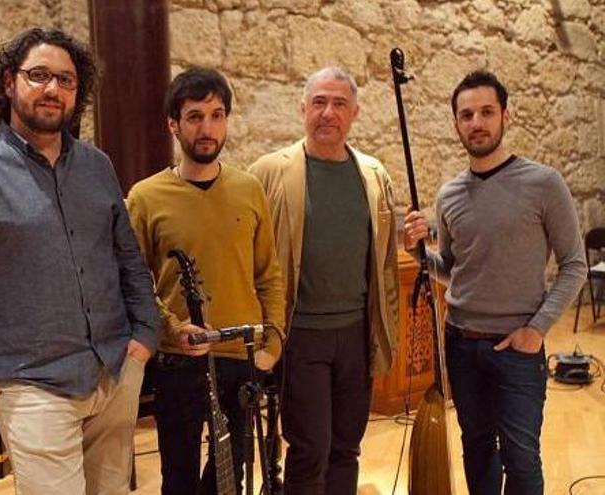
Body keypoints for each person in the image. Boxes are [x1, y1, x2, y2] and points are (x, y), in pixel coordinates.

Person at [0, 27, 160, 495]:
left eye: (66, 80)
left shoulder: (96, 166)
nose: (53, 89)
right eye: (39, 75)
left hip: (114, 371)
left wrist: (145, 334)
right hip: (33, 387)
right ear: (9, 82)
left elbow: (126, 257)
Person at [404, 69, 586, 495]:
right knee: (478, 449)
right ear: (456, 124)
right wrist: (417, 254)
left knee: (522, 459)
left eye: (487, 112)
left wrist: (537, 329)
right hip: (462, 344)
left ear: (506, 116)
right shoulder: (448, 194)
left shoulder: (544, 184)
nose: (476, 122)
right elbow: (452, 267)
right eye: (466, 115)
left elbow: (574, 264)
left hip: (517, 350)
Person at [126, 67, 285, 495]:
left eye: (217, 115)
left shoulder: (249, 189)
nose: (207, 127)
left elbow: (269, 273)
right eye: (195, 116)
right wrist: (174, 328)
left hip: (242, 353)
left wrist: (272, 345)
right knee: (178, 474)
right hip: (180, 358)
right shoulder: (145, 197)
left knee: (232, 471)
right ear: (174, 124)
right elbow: (136, 282)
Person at [248, 66, 400, 495]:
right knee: (309, 448)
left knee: (346, 447)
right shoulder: (269, 172)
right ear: (302, 109)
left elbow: (386, 258)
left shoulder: (373, 175)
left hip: (355, 336)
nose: (327, 113)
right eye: (318, 102)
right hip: (302, 336)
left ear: (354, 112)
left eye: (338, 104)